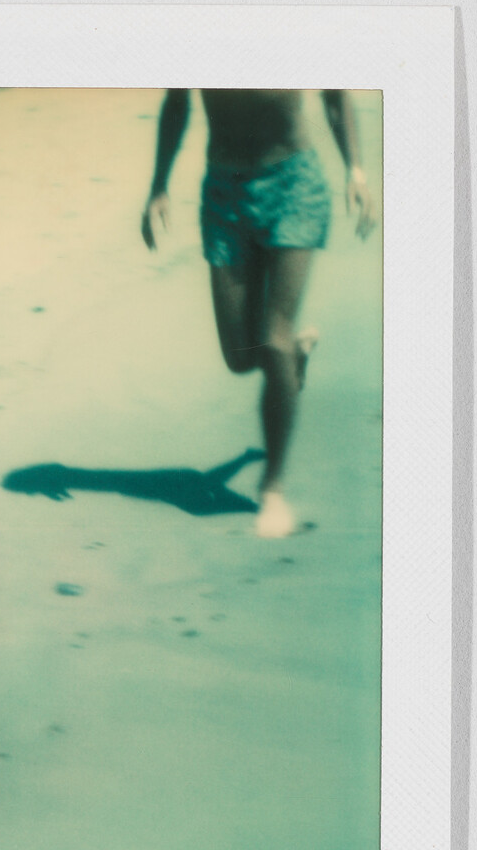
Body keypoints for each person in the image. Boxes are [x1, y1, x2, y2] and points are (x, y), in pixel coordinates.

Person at [141, 90, 378, 538]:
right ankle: (292, 358)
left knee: (272, 339)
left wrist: (356, 173)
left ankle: (273, 488)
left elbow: (333, 94)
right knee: (241, 358)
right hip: (224, 192)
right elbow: (177, 102)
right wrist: (158, 186)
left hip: (294, 184)